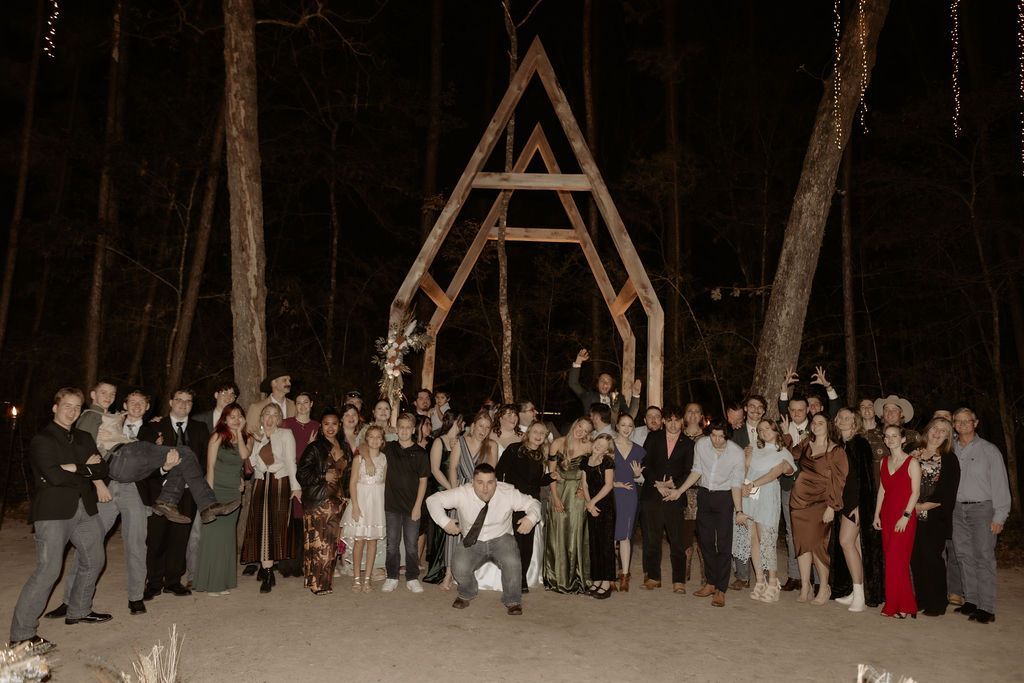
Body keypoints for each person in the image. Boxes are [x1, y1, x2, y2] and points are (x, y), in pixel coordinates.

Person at [10, 388, 111, 652]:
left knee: (95, 559)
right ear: (55, 408)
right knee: (49, 570)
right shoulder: (42, 439)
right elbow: (54, 477)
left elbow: (102, 468)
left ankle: (79, 609)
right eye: (67, 405)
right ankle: (22, 635)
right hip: (53, 511)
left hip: (85, 508)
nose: (72, 411)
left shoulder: (84, 436)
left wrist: (74, 467)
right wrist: (86, 469)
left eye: (77, 407)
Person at [427, 463, 541, 615]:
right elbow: (432, 500)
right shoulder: (462, 493)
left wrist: (531, 518)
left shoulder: (508, 492)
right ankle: (467, 592)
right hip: (473, 540)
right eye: (480, 483)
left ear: (496, 482)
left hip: (501, 538)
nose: (485, 488)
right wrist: (444, 522)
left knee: (512, 562)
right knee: (458, 567)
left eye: (490, 482)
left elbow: (534, 503)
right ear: (472, 482)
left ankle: (513, 600)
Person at [137, 389, 212, 600]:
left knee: (180, 537)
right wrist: (163, 470)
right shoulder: (153, 427)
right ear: (171, 402)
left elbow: (204, 459)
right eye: (179, 400)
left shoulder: (200, 428)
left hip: (187, 492)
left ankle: (173, 581)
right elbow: (145, 459)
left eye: (188, 401)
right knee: (156, 538)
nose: (183, 404)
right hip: (160, 491)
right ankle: (153, 582)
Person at [660, 422, 744, 607]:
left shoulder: (737, 453)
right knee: (705, 541)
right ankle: (711, 583)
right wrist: (679, 491)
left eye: (721, 436)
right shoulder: (702, 444)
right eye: (713, 435)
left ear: (727, 436)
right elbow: (696, 471)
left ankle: (721, 589)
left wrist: (739, 510)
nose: (716, 440)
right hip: (704, 495)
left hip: (724, 497)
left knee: (723, 543)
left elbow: (736, 483)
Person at [950, 408, 1011, 624]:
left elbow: (1000, 484)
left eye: (967, 421)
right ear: (954, 424)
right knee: (963, 555)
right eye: (958, 421)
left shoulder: (989, 450)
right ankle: (972, 600)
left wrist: (1000, 516)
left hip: (982, 510)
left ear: (975, 423)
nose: (962, 424)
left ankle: (986, 607)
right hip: (957, 510)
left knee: (983, 557)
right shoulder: (951, 449)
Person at [240, 403, 300, 593]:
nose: (270, 418)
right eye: (267, 414)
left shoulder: (285, 434)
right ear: (261, 417)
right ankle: (266, 569)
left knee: (275, 526)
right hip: (260, 483)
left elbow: (290, 461)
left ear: (279, 419)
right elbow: (251, 463)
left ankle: (268, 570)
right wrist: (256, 442)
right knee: (260, 526)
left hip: (279, 483)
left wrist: (296, 486)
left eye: (275, 415)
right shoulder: (256, 436)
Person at [789, 412, 848, 605]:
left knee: (818, 545)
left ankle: (824, 587)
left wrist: (832, 506)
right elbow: (788, 454)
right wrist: (786, 435)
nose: (815, 425)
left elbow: (839, 481)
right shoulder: (806, 443)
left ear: (828, 426)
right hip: (799, 502)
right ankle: (805, 586)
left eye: (820, 422)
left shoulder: (836, 450)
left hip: (821, 502)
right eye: (813, 422)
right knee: (801, 544)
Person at [736, 419, 795, 603]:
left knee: (766, 540)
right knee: (752, 537)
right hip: (750, 494)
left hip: (766, 494)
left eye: (767, 428)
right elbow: (745, 469)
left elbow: (774, 474)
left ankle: (773, 582)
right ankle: (760, 580)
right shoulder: (753, 448)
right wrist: (744, 479)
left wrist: (753, 484)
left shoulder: (783, 452)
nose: (764, 432)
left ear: (776, 430)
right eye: (760, 430)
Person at [193, 403, 249, 595]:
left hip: (234, 492)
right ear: (224, 419)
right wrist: (209, 498)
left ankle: (223, 581)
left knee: (227, 538)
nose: (235, 419)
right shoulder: (217, 436)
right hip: (217, 491)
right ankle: (210, 584)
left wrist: (239, 432)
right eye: (232, 416)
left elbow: (244, 456)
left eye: (239, 416)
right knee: (213, 537)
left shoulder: (243, 438)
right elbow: (210, 467)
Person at [832, 408, 884, 611]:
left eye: (848, 418)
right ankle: (857, 591)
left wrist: (860, 506)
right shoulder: (842, 444)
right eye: (841, 417)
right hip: (844, 501)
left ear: (855, 422)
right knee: (855, 546)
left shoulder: (860, 443)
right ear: (836, 421)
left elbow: (865, 478)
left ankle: (860, 594)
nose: (844, 420)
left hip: (856, 502)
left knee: (845, 542)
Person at [639, 406, 694, 593]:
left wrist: (674, 484)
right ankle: (653, 577)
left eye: (676, 420)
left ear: (682, 422)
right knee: (652, 538)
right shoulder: (653, 438)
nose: (673, 424)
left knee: (677, 540)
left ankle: (679, 581)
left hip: (675, 495)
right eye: (669, 420)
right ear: (664, 421)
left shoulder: (688, 444)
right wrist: (657, 484)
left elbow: (689, 470)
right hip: (652, 494)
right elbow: (644, 463)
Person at [910, 417, 961, 616]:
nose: (937, 433)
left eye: (943, 431)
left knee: (932, 558)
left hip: (934, 516)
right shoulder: (913, 451)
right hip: (910, 513)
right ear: (928, 430)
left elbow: (948, 492)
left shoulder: (949, 459)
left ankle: (938, 602)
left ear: (948, 437)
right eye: (935, 428)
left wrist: (922, 506)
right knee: (916, 558)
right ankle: (921, 598)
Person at [297, 408, 351, 595]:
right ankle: (317, 584)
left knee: (331, 544)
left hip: (337, 502)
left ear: (339, 425)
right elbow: (301, 474)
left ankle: (322, 582)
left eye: (334, 424)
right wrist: (322, 476)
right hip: (319, 501)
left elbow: (347, 474)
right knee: (319, 544)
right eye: (326, 424)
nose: (330, 427)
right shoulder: (315, 447)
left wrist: (347, 496)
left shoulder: (344, 447)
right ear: (321, 426)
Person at [495, 421, 552, 592]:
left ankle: (521, 579)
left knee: (526, 542)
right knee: (513, 542)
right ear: (528, 433)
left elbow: (537, 481)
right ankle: (512, 577)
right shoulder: (514, 449)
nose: (539, 435)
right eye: (536, 431)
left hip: (531, 503)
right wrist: (502, 496)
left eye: (542, 433)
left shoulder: (541, 456)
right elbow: (499, 472)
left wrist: (551, 477)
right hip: (513, 500)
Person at [873, 425, 921, 618]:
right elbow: (882, 490)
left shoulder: (912, 462)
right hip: (887, 515)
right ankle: (901, 604)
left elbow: (915, 492)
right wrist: (876, 514)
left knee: (897, 560)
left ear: (903, 439)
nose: (890, 439)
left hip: (904, 517)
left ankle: (900, 605)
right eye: (887, 436)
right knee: (892, 561)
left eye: (895, 436)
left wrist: (906, 516)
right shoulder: (883, 461)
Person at [543, 418, 593, 594]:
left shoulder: (589, 447)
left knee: (575, 533)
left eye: (586, 431)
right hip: (559, 490)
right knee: (557, 533)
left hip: (578, 493)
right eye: (580, 427)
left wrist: (583, 489)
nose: (581, 431)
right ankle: (557, 578)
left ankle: (576, 578)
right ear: (575, 424)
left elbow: (592, 471)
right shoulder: (557, 443)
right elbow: (551, 473)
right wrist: (555, 497)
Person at [381, 413, 429, 594]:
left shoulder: (420, 453)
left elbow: (423, 481)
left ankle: (412, 577)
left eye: (408, 427)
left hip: (412, 507)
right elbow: (367, 446)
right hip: (392, 506)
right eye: (401, 427)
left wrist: (417, 506)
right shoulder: (389, 448)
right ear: (397, 429)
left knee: (411, 545)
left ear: (414, 430)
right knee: (392, 544)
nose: (404, 431)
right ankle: (392, 576)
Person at [727, 394, 768, 590]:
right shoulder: (735, 433)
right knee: (741, 529)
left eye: (760, 407)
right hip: (742, 485)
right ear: (745, 409)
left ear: (764, 411)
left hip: (765, 485)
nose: (755, 410)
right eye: (752, 406)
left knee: (763, 531)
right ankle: (742, 576)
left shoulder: (769, 430)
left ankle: (764, 573)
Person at [342, 424, 387, 592]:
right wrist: (355, 506)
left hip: (376, 504)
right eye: (371, 437)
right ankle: (356, 578)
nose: (375, 440)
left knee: (372, 541)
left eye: (378, 437)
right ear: (366, 439)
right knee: (359, 541)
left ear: (382, 441)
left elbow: (383, 483)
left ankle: (367, 579)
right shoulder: (359, 459)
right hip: (361, 502)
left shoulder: (384, 459)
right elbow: (353, 482)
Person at [423, 412, 462, 588]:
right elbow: (435, 469)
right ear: (454, 422)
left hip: (457, 488)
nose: (463, 425)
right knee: (441, 532)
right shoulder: (439, 441)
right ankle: (438, 570)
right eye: (461, 422)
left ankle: (453, 570)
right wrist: (450, 488)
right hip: (442, 488)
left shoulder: (461, 441)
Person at [778, 394, 810, 592]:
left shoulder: (816, 427)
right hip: (788, 486)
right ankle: (794, 575)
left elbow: (797, 454)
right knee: (791, 532)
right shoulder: (782, 429)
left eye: (801, 409)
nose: (797, 413)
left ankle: (813, 577)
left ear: (808, 410)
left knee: (811, 532)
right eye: (793, 410)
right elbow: (784, 455)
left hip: (810, 488)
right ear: (788, 411)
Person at [611, 413, 645, 592]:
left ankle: (625, 575)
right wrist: (614, 483)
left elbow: (638, 476)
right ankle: (609, 576)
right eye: (623, 424)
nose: (626, 428)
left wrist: (637, 475)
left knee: (625, 536)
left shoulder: (638, 450)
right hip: (610, 493)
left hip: (629, 494)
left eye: (630, 425)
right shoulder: (608, 446)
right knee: (610, 535)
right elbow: (599, 471)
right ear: (617, 426)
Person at [582, 434, 616, 598]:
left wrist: (593, 502)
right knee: (594, 544)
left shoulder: (607, 462)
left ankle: (607, 582)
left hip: (605, 506)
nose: (598, 446)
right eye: (598, 442)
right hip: (592, 506)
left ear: (607, 450)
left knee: (605, 544)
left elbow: (608, 485)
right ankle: (596, 579)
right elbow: (584, 484)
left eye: (603, 445)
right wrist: (589, 504)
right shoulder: (585, 461)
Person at [568, 349, 640, 420]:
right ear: (597, 384)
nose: (605, 383)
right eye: (602, 380)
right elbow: (573, 384)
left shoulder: (618, 399)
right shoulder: (589, 396)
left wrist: (635, 395)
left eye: (608, 381)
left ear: (612, 385)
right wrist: (578, 362)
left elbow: (629, 416)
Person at [680, 403, 705, 583]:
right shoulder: (678, 437)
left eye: (697, 412)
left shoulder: (709, 438)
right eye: (690, 411)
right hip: (682, 491)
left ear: (701, 416)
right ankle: (684, 568)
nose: (693, 414)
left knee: (704, 532)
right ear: (684, 416)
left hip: (703, 491)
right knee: (685, 532)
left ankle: (706, 573)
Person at [281, 391, 319, 461]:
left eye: (305, 402)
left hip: (307, 466)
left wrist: (311, 446)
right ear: (295, 405)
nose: (302, 405)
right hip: (288, 465)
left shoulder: (317, 426)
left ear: (311, 404)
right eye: (299, 403)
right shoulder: (286, 423)